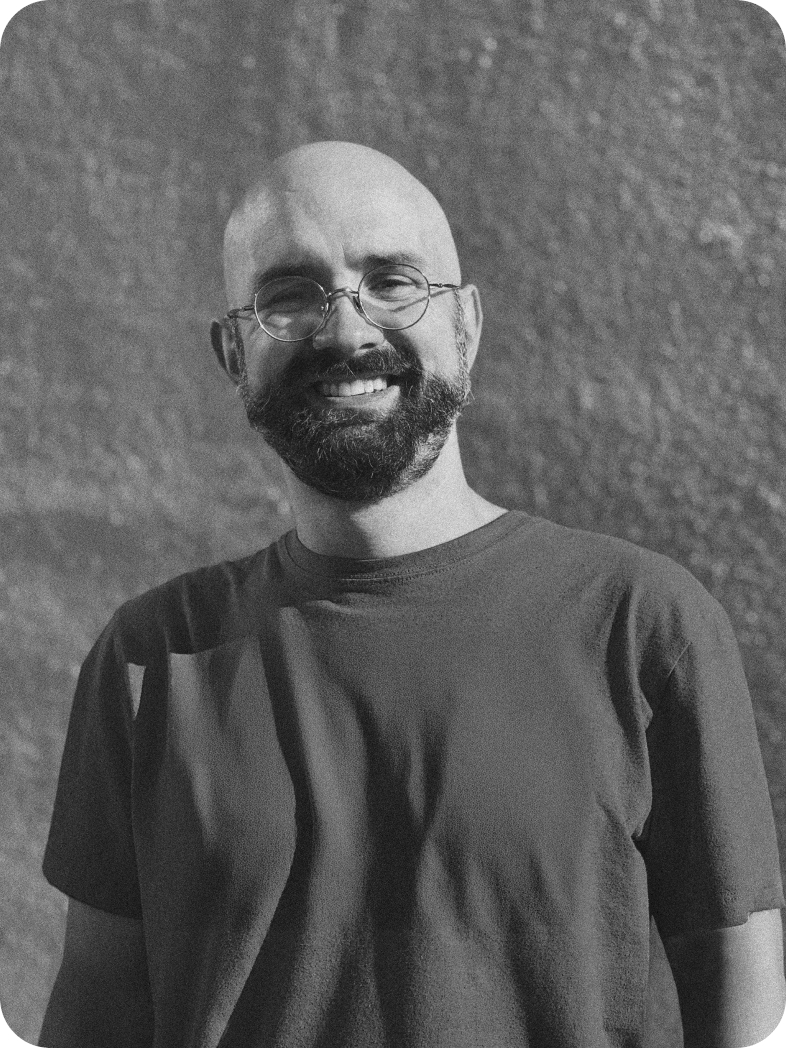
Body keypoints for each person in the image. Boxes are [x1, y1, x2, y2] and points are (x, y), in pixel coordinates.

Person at [39, 141, 785, 1048]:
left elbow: (745, 1010)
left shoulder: (640, 625)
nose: (347, 331)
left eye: (393, 282)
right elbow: (95, 1011)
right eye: (290, 295)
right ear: (233, 352)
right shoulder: (150, 658)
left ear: (466, 324)